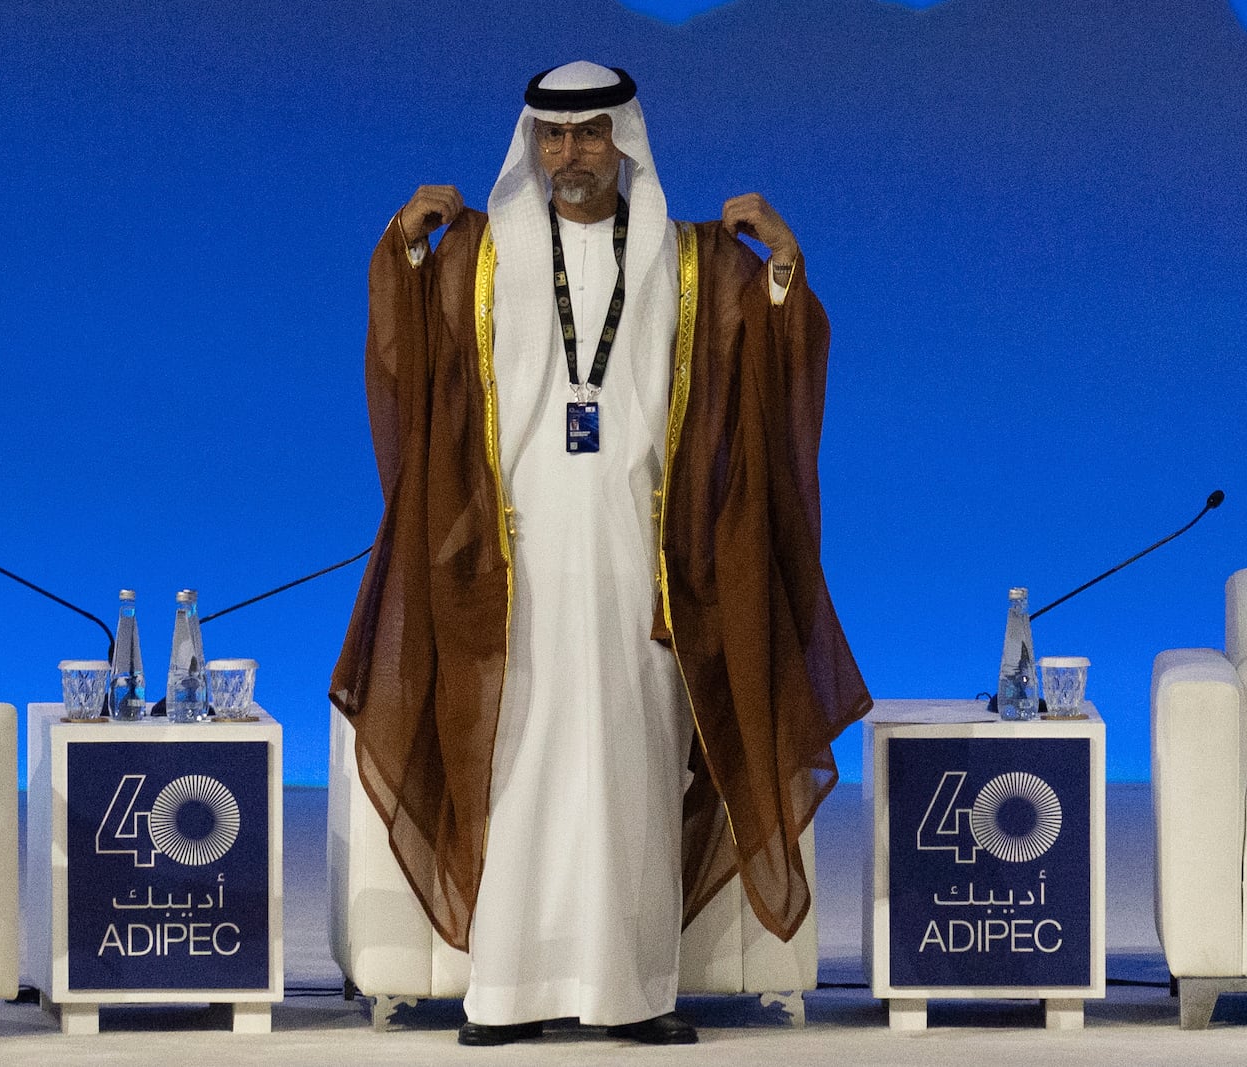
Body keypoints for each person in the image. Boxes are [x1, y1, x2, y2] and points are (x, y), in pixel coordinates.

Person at [331, 60, 871, 1047]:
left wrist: (785, 269)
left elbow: (769, 358)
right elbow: (414, 366)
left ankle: (634, 991)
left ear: (623, 139)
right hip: (513, 561)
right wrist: (401, 258)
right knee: (518, 761)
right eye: (551, 135)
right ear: (531, 143)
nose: (568, 153)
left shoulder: (688, 255)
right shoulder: (483, 255)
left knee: (633, 763)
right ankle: (506, 992)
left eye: (587, 134)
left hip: (642, 556)